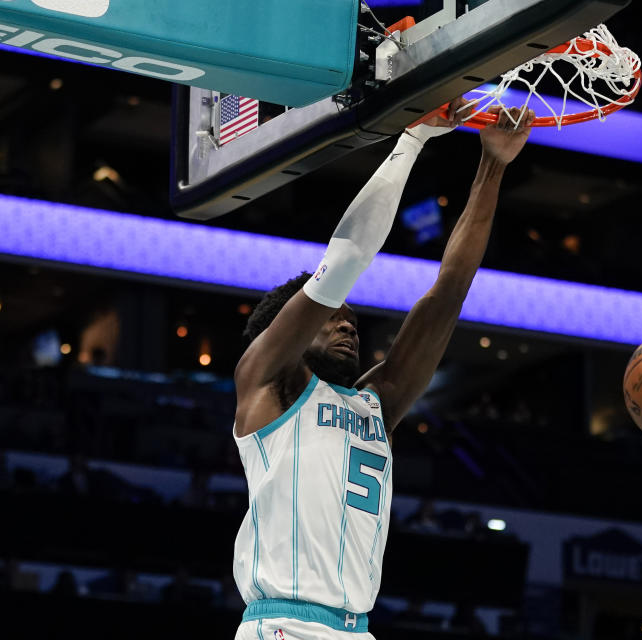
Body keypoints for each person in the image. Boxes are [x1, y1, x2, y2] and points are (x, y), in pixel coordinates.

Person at [231, 104, 534, 640]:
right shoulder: (266, 382)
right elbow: (346, 260)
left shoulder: (377, 404)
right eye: (331, 319)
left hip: (357, 629)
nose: (346, 326)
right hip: (281, 624)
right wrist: (412, 139)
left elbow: (450, 289)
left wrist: (493, 167)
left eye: (351, 321)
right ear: (291, 330)